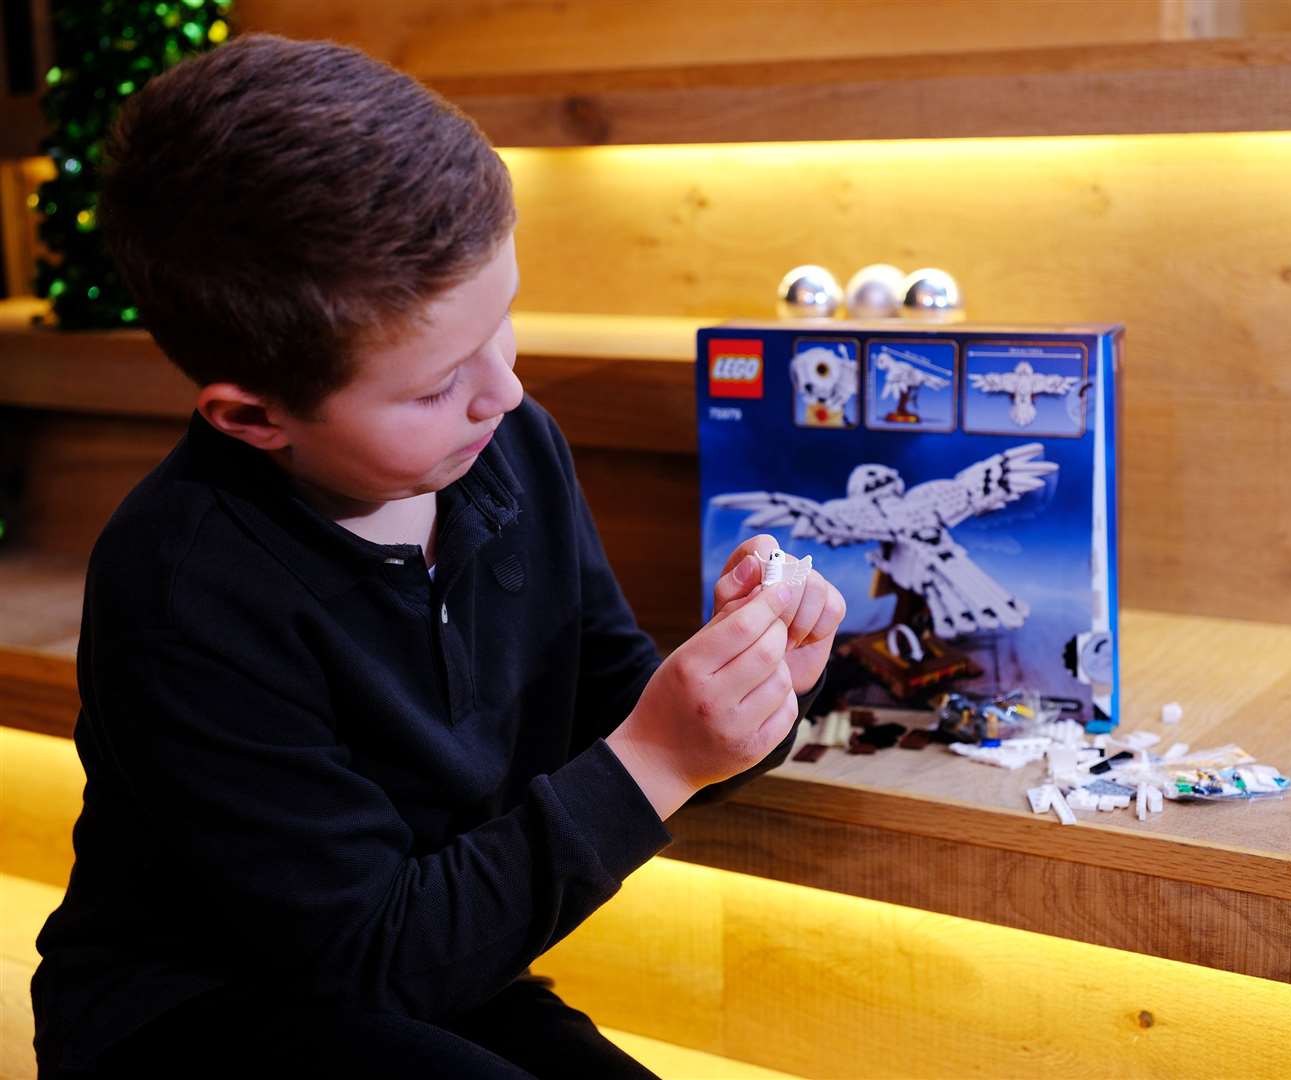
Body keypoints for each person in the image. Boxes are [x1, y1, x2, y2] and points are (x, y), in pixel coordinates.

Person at [30, 32, 844, 1079]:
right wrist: (658, 758)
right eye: (432, 384)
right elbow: (367, 958)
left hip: (442, 967)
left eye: (501, 322)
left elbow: (606, 695)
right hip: (202, 1014)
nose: (501, 390)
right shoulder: (184, 591)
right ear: (249, 417)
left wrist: (749, 692)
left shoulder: (508, 444)